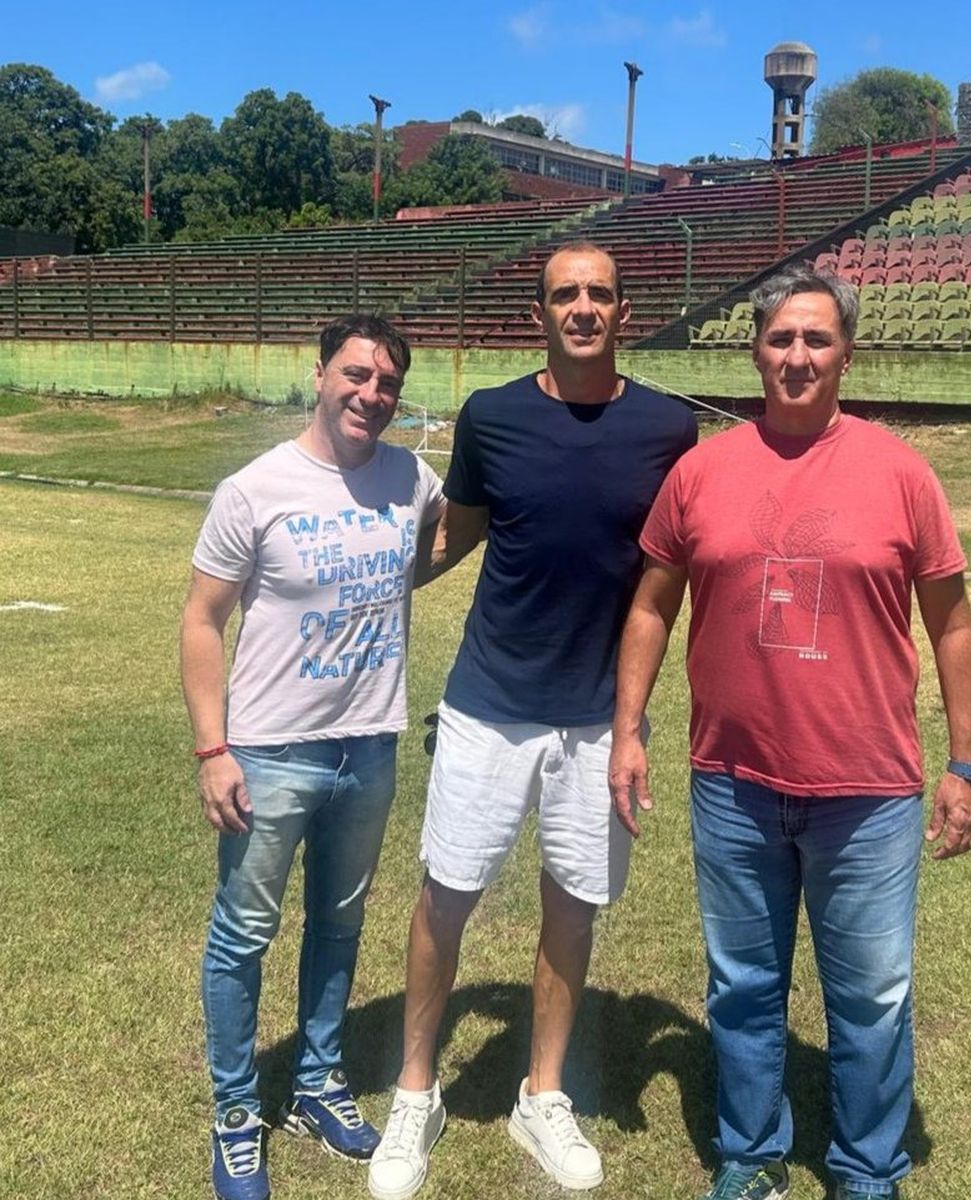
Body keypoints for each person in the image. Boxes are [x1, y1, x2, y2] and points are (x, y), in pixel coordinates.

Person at [608, 264, 971, 1200]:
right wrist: (629, 729)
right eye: (781, 338)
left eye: (816, 339)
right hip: (733, 782)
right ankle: (751, 1154)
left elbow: (953, 622)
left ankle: (866, 1168)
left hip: (867, 790)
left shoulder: (901, 473)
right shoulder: (702, 471)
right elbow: (652, 606)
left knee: (872, 996)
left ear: (846, 355)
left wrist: (966, 765)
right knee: (742, 988)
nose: (797, 356)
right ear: (755, 351)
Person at [366, 243, 697, 1199]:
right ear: (539, 313)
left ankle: (541, 1093)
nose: (583, 307)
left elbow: (679, 567)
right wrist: (349, 583)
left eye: (599, 292)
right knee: (447, 895)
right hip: (489, 707)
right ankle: (416, 1092)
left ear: (623, 310)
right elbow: (454, 535)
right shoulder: (493, 416)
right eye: (565, 294)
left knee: (572, 904)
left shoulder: (669, 427)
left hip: (599, 720)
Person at [181, 315, 446, 1200]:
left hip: (368, 743)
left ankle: (317, 1084)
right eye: (356, 375)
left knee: (340, 925)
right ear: (320, 374)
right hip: (270, 750)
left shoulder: (411, 476)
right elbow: (201, 622)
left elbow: (446, 533)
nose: (371, 394)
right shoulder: (255, 489)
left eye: (388, 385)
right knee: (244, 934)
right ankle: (235, 1111)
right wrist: (214, 748)